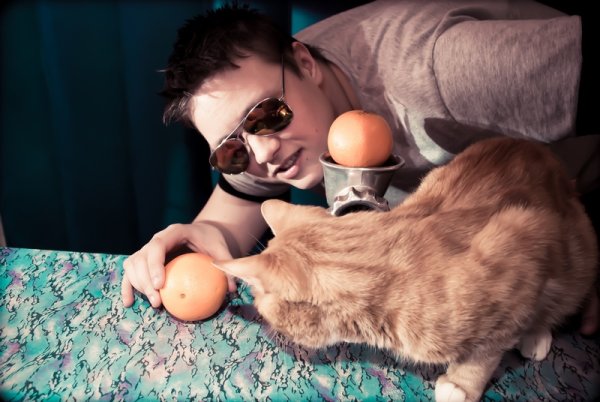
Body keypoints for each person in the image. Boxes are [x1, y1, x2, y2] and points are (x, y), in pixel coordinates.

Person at [121, 0, 599, 334]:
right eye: (231, 151)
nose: (261, 155)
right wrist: (204, 234)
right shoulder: (264, 129)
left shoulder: (442, 70)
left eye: (264, 115)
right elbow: (236, 207)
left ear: (305, 63)